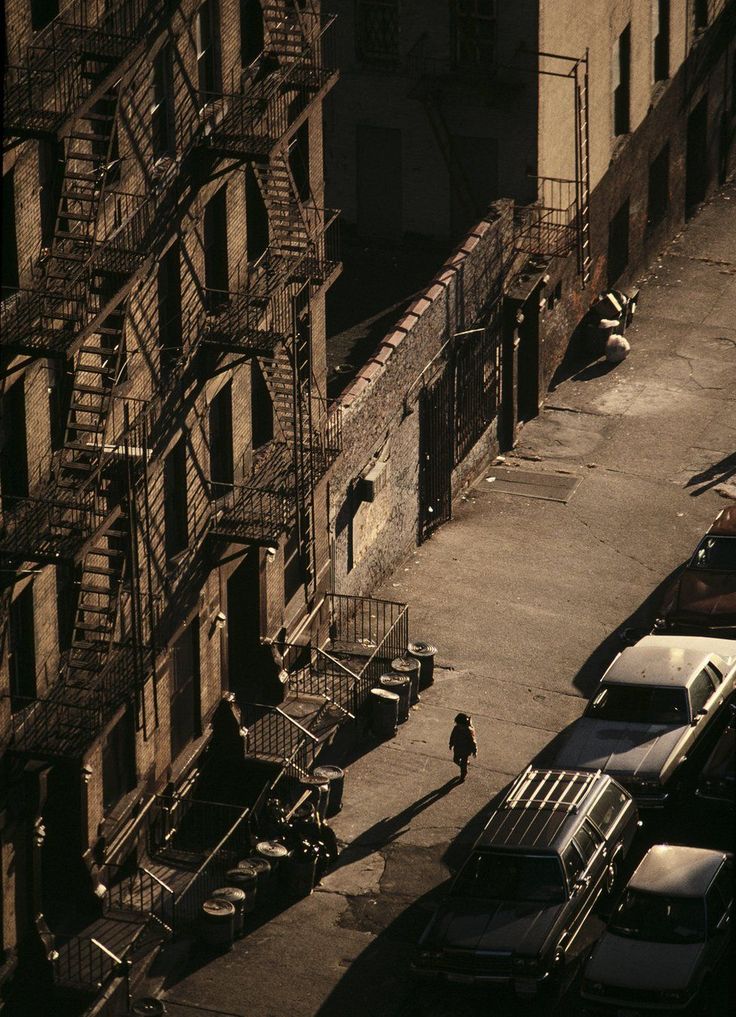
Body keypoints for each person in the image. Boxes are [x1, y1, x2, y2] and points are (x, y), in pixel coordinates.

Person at [449, 713, 477, 782]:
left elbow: (473, 742)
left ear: (463, 724)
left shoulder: (468, 731)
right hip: (457, 748)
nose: (457, 725)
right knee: (455, 760)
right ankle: (463, 766)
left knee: (463, 764)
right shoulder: (456, 728)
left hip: (465, 750)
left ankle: (463, 775)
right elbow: (452, 736)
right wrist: (451, 743)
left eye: (459, 724)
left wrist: (475, 751)